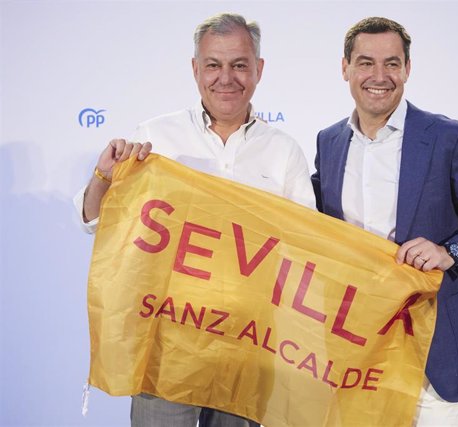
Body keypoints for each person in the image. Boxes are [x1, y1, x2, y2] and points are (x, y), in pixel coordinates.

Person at [74, 12, 315, 427]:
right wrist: (103, 177)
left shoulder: (284, 151)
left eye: (239, 65)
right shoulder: (157, 138)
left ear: (258, 70)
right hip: (166, 350)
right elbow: (95, 221)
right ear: (195, 69)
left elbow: (309, 246)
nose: (227, 78)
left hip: (249, 350)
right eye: (213, 65)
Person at [311, 17, 458, 426]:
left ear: (407, 69)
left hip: (432, 355)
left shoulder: (448, 137)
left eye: (392, 63)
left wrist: (449, 251)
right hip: (354, 350)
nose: (379, 76)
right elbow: (303, 216)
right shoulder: (328, 141)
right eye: (366, 63)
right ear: (345, 68)